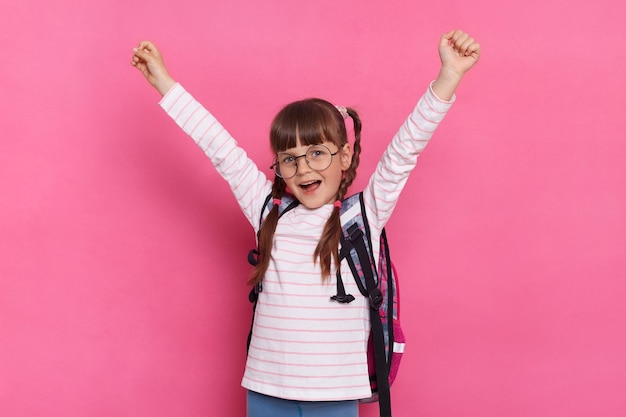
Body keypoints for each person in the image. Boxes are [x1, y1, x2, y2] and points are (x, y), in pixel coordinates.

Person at [131, 30, 480, 417]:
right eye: (289, 158)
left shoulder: (363, 215)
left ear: (345, 157)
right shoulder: (268, 210)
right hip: (265, 387)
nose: (303, 167)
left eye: (317, 152)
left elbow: (404, 151)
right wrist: (164, 81)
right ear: (279, 167)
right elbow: (221, 150)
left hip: (335, 393)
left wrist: (448, 76)